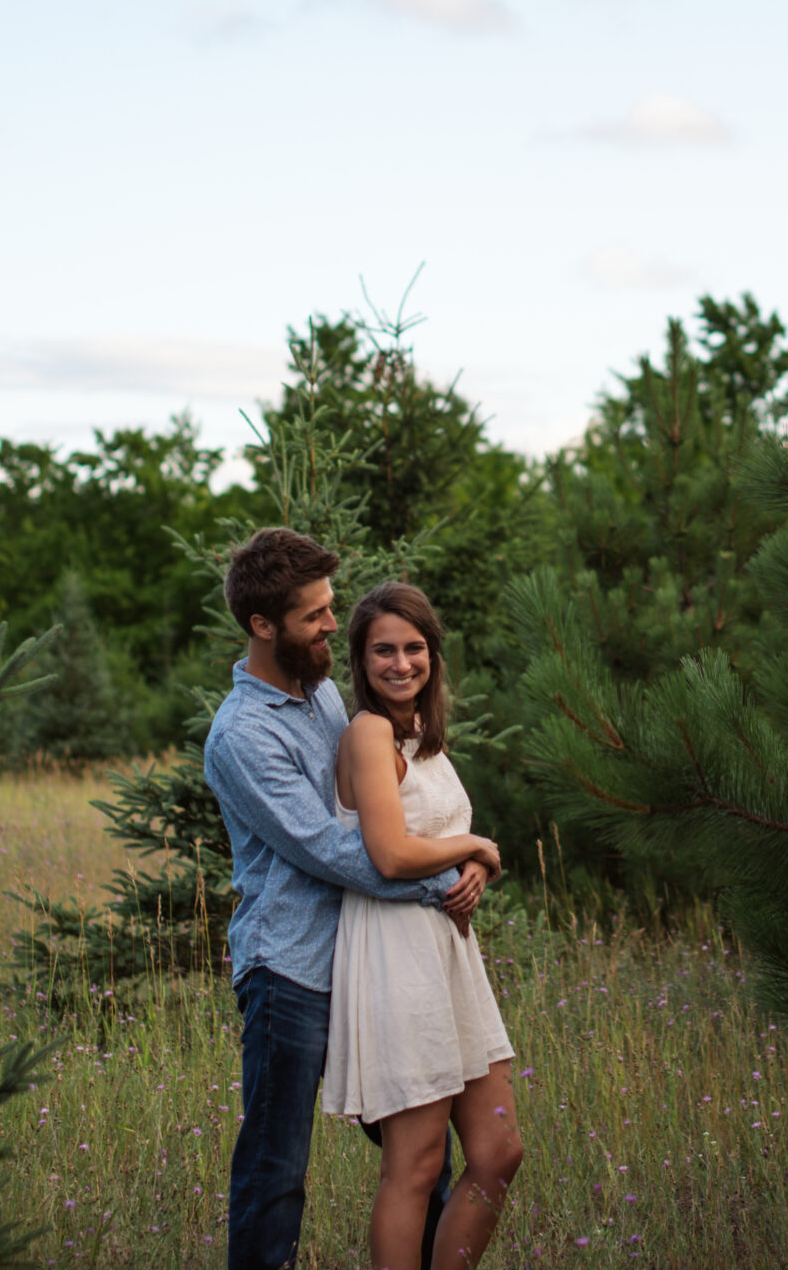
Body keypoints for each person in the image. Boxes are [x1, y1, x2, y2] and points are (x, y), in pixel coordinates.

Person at [202, 530, 500, 1270]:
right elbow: (337, 848)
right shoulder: (241, 735)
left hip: (365, 958)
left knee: (418, 1150)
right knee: (277, 1167)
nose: (333, 624)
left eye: (332, 608)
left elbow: (376, 807)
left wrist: (461, 866)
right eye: (315, 615)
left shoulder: (325, 694)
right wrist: (449, 877)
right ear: (263, 626)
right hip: (290, 967)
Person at [323, 581, 524, 1270]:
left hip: (450, 957)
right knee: (415, 1165)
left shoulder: (423, 737)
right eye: (383, 649)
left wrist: (478, 868)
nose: (400, 662)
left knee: (500, 1152)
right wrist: (477, 847)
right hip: (394, 953)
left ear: (433, 656)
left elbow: (442, 836)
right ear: (360, 659)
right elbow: (392, 851)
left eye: (414, 648)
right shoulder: (370, 731)